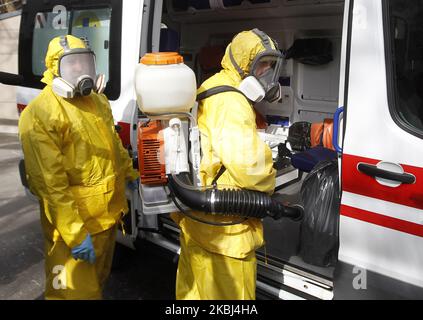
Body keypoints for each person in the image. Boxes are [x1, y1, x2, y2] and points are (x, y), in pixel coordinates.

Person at [18, 35, 139, 300]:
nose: (80, 70)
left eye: (85, 62)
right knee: (72, 296)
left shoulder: (97, 102)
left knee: (96, 287)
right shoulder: (40, 114)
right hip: (75, 230)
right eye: (71, 64)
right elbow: (50, 185)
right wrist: (74, 234)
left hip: (107, 220)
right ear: (54, 68)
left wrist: (131, 174)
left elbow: (114, 148)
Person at [171, 29, 282, 299]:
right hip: (226, 234)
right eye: (262, 65)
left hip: (199, 223)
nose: (267, 73)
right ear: (243, 64)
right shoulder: (232, 102)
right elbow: (251, 172)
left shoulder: (211, 87)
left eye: (270, 65)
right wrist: (271, 167)